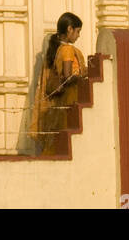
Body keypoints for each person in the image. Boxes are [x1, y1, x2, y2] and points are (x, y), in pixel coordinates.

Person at [28, 11, 86, 156]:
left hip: (60, 99)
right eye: (78, 31)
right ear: (69, 29)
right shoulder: (67, 49)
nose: (79, 35)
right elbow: (67, 76)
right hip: (70, 95)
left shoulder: (57, 48)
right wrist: (83, 76)